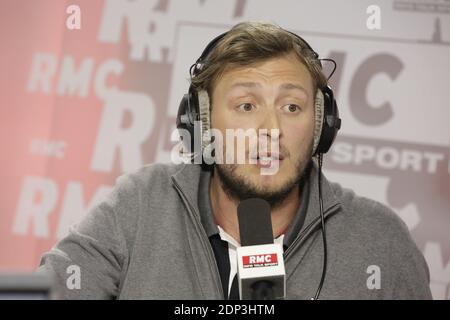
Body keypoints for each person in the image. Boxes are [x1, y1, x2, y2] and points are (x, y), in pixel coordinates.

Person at [39, 22, 432, 299]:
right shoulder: (139, 205)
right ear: (201, 122)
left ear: (320, 126)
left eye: (292, 106)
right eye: (246, 105)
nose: (270, 128)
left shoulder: (380, 241)